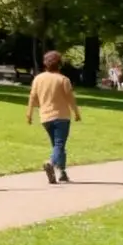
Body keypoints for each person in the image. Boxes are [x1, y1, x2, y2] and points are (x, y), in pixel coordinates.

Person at [26, 50, 81, 184]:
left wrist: (29, 113)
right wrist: (77, 113)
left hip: (45, 117)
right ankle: (51, 162)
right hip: (61, 116)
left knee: (57, 145)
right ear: (59, 64)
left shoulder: (38, 79)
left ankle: (62, 173)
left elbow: (33, 97)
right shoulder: (63, 79)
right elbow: (70, 99)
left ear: (45, 63)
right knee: (59, 144)